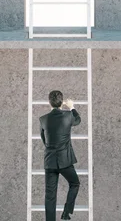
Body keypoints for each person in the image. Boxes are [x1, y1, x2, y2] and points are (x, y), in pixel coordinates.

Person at [39, 90, 81, 220]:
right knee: (75, 184)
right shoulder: (68, 116)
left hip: (50, 161)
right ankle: (66, 213)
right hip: (65, 161)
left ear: (49, 102)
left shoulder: (43, 119)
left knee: (50, 196)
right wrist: (72, 106)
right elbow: (78, 120)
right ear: (62, 102)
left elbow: (44, 139)